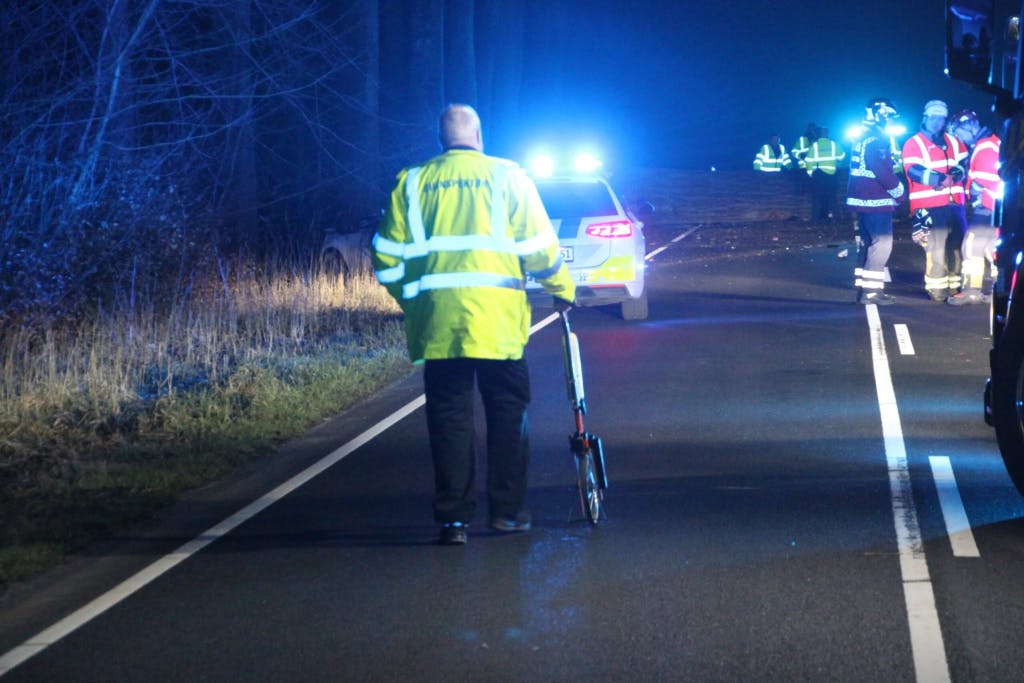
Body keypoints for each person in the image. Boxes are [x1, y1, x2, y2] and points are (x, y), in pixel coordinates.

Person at [371, 104, 576, 546]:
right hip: (498, 326)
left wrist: (415, 300)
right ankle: (506, 513)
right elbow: (540, 247)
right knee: (508, 415)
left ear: (439, 139)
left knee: (449, 420)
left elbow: (385, 259)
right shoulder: (509, 178)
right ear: (480, 136)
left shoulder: (411, 183)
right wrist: (563, 289)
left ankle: (453, 521)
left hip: (441, 326)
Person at [901, 99, 969, 302]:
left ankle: (956, 287)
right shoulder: (913, 143)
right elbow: (912, 170)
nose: (937, 122)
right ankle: (937, 289)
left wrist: (954, 176)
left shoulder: (954, 141)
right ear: (925, 117)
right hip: (926, 207)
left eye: (941, 118)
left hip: (954, 204)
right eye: (933, 117)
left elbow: (964, 162)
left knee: (958, 248)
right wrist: (939, 179)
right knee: (934, 249)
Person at [846, 97, 906, 305]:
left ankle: (863, 286)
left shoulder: (863, 136)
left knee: (868, 243)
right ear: (882, 115)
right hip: (876, 200)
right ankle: (871, 293)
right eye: (890, 118)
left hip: (863, 201)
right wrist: (899, 192)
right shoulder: (877, 139)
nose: (892, 122)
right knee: (882, 244)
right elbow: (881, 170)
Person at [947, 109, 1000, 305]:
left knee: (971, 248)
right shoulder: (991, 142)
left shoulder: (985, 147)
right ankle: (997, 293)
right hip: (995, 209)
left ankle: (971, 291)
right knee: (992, 251)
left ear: (968, 126)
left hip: (987, 208)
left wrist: (975, 188)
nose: (958, 138)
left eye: (958, 133)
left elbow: (987, 179)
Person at [803, 127, 846, 221]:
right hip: (831, 176)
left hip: (818, 175)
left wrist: (811, 173)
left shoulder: (815, 146)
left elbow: (808, 161)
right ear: (827, 134)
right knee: (832, 198)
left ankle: (815, 219)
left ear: (819, 134)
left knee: (817, 198)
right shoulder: (833, 145)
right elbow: (842, 156)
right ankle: (837, 219)